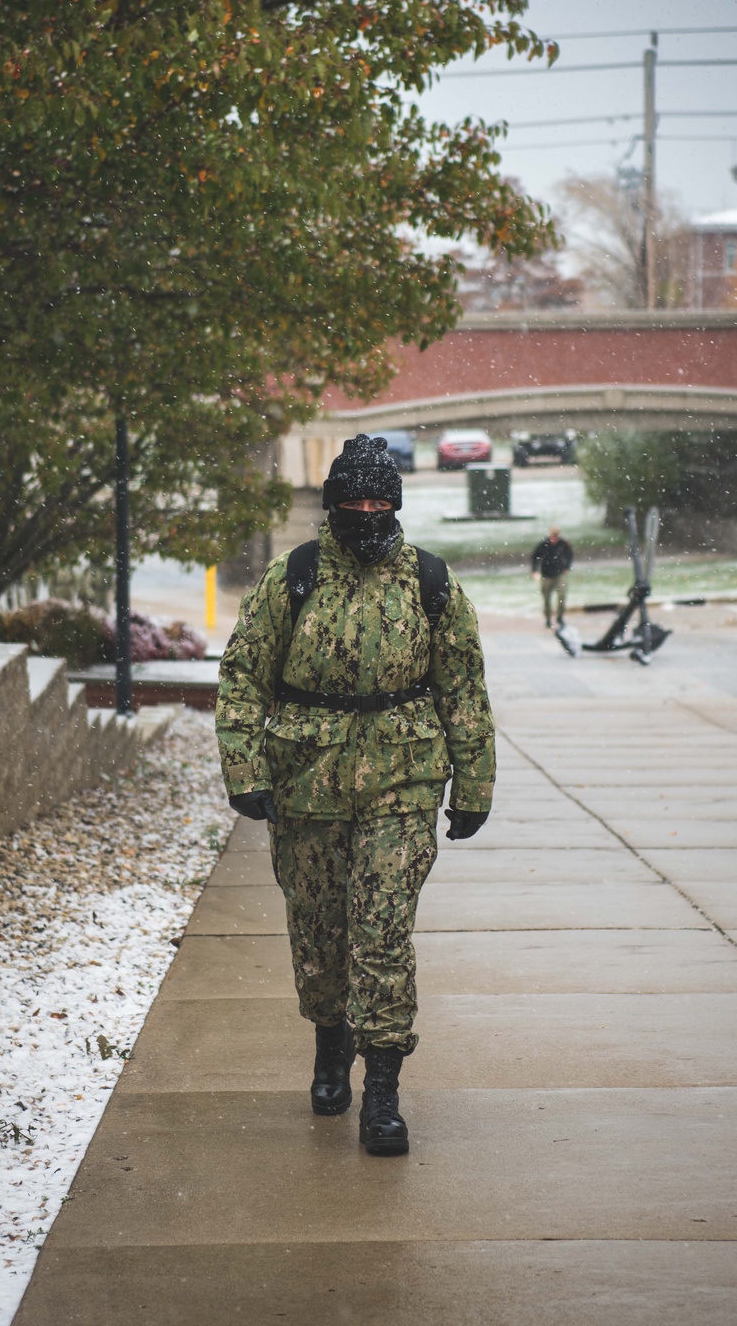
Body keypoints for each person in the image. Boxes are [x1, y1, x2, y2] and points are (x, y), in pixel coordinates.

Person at [216, 434, 495, 1157]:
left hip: (402, 782)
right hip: (308, 784)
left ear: (395, 504)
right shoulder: (295, 578)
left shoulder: (430, 583)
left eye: (378, 500)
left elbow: (464, 689)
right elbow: (244, 675)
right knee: (320, 932)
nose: (366, 512)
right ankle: (329, 1043)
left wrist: (474, 782)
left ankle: (384, 1092)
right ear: (333, 503)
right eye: (353, 500)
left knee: (381, 931)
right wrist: (245, 771)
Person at [531, 526, 574, 628]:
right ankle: (548, 618)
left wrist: (567, 566)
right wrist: (534, 570)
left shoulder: (563, 544)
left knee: (562, 595)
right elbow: (535, 556)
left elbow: (569, 554)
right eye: (553, 536)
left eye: (556, 536)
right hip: (547, 575)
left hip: (560, 573)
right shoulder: (543, 544)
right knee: (546, 597)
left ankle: (560, 616)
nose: (554, 538)